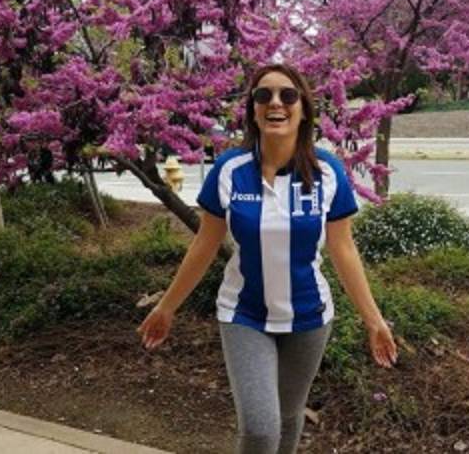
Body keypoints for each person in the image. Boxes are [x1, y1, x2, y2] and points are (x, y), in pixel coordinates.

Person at [137, 63, 397, 454]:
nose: (276, 103)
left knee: (289, 417)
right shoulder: (230, 170)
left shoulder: (327, 172)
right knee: (261, 428)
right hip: (244, 315)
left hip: (308, 317)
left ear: (304, 109)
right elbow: (204, 245)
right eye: (264, 95)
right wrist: (167, 306)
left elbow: (343, 249)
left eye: (287, 95)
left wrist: (374, 320)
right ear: (254, 111)